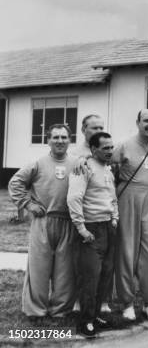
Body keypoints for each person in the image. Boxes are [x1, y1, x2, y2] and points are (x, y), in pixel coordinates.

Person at [9, 124, 78, 318]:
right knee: (39, 267)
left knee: (65, 270)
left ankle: (60, 310)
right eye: (55, 137)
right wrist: (28, 204)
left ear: (70, 140)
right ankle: (36, 311)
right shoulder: (38, 163)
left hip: (68, 221)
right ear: (48, 140)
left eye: (64, 137)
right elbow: (15, 183)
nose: (59, 141)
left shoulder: (77, 163)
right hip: (43, 220)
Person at [112, 109, 148, 322]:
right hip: (128, 197)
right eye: (146, 121)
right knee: (126, 252)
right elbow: (106, 167)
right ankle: (127, 302)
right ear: (138, 123)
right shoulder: (124, 146)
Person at [67, 132, 118, 337]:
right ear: (93, 149)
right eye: (105, 148)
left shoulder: (107, 169)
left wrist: (114, 217)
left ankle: (95, 315)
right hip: (90, 228)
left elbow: (111, 197)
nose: (110, 151)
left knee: (105, 276)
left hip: (108, 227)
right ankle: (86, 321)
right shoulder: (83, 168)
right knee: (90, 277)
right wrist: (81, 228)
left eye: (111, 147)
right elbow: (73, 199)